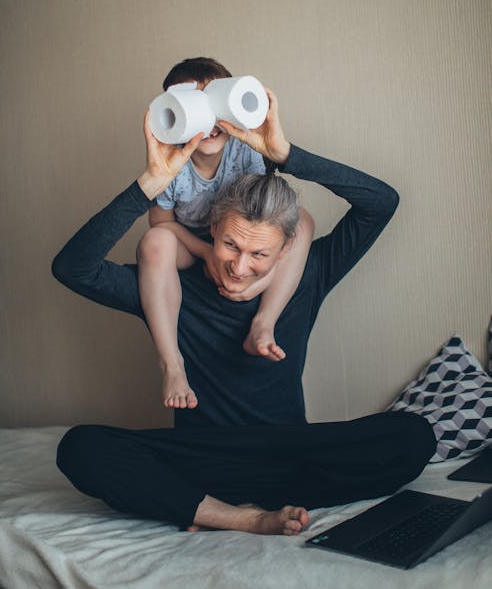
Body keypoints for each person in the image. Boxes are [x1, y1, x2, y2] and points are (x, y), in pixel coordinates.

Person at [52, 88, 436, 535]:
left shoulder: (308, 275)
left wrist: (286, 155)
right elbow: (72, 268)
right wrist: (149, 185)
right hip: (200, 459)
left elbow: (381, 202)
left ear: (288, 249)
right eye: (231, 244)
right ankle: (240, 517)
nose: (239, 267)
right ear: (212, 228)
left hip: (290, 454)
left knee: (413, 436)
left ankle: (196, 506)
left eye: (259, 254)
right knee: (79, 447)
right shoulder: (167, 286)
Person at [137, 57, 315, 411]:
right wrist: (205, 252)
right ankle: (172, 364)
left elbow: (267, 217)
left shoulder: (245, 147)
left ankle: (263, 323)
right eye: (195, 109)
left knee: (303, 221)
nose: (209, 124)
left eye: (215, 105)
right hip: (191, 241)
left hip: (240, 241)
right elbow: (162, 226)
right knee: (154, 243)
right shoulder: (170, 162)